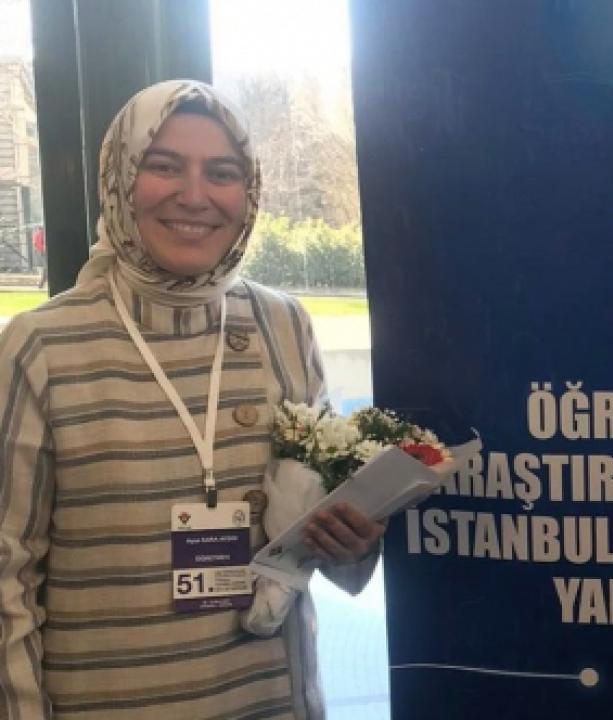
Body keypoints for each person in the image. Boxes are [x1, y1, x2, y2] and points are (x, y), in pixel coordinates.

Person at [0, 80, 384, 718]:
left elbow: (308, 533)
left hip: (269, 701)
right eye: (164, 166)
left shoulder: (284, 326)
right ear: (121, 179)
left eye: (222, 173)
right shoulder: (39, 347)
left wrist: (351, 543)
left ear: (248, 191)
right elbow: (6, 579)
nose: (195, 195)